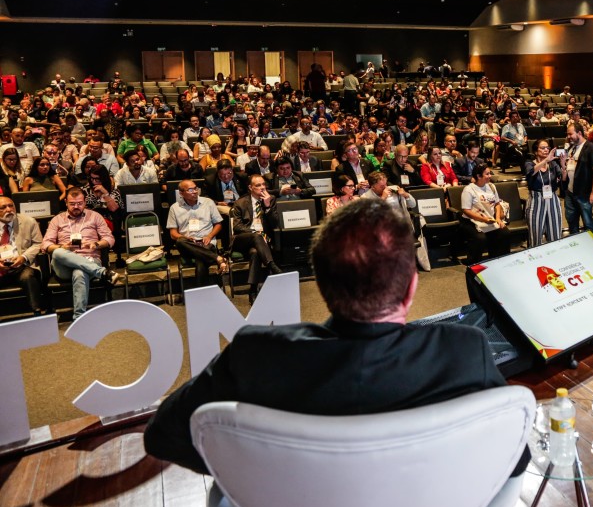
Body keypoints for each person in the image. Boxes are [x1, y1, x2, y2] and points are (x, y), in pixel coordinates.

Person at [144, 198, 528, 476]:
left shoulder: (254, 354)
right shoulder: (462, 351)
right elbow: (515, 458)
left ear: (322, 286)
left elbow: (162, 436)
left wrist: (255, 474)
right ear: (411, 287)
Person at [41, 188, 120, 319]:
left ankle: (78, 317)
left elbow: (110, 238)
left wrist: (96, 244)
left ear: (85, 202)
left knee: (79, 272)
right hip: (64, 266)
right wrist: (63, 247)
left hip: (90, 258)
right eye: (72, 204)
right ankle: (102, 273)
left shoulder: (95, 216)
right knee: (58, 253)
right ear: (66, 202)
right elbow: (46, 244)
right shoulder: (57, 219)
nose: (76, 206)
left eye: (79, 203)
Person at [230, 174, 284, 302]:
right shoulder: (240, 203)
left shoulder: (271, 199)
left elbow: (275, 223)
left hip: (261, 243)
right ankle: (272, 265)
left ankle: (252, 290)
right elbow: (237, 227)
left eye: (263, 184)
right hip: (243, 239)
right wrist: (255, 232)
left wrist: (267, 207)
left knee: (255, 253)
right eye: (258, 185)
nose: (262, 188)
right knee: (256, 235)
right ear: (250, 187)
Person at [167, 180, 227, 290]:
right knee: (180, 241)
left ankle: (200, 294)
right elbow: (173, 234)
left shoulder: (208, 202)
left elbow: (218, 224)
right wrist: (185, 238)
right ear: (181, 193)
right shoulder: (174, 208)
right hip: (188, 244)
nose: (194, 191)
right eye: (190, 190)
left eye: (195, 188)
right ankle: (217, 258)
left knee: (200, 261)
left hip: (206, 242)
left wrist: (209, 236)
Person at [0, 196, 46, 315]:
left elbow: (38, 243)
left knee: (28, 276)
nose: (9, 210)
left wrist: (23, 257)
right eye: (3, 207)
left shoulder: (28, 221)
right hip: (1, 267)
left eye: (11, 206)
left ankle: (36, 312)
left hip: (22, 266)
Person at [459, 164, 510, 263]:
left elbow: (497, 204)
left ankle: (498, 259)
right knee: (480, 238)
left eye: (490, 173)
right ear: (478, 176)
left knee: (504, 232)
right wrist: (483, 219)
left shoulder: (491, 186)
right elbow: (466, 210)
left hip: (490, 219)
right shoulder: (469, 190)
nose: (490, 176)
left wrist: (498, 219)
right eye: (487, 174)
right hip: (471, 221)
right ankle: (473, 263)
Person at [562, 121, 593, 234]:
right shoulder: (571, 148)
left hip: (584, 193)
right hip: (570, 192)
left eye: (570, 134)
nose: (568, 137)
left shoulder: (591, 148)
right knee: (571, 222)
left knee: (588, 224)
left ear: (579, 133)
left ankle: (591, 248)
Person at [524, 139, 563, 247]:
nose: (546, 150)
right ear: (536, 151)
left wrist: (563, 165)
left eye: (547, 148)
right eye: (543, 148)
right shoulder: (529, 163)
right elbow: (531, 173)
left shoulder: (553, 164)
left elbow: (563, 178)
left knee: (556, 236)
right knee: (535, 238)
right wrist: (546, 160)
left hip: (552, 199)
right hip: (537, 200)